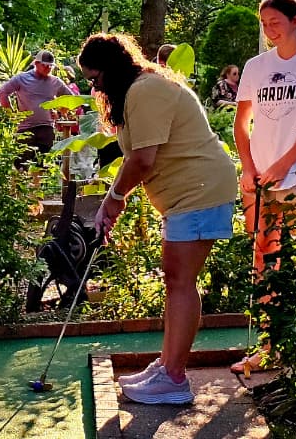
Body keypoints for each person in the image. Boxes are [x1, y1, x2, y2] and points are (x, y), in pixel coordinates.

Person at [81, 33, 239, 405]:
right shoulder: (139, 90)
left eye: (95, 78)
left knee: (181, 280)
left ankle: (174, 378)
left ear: (112, 68)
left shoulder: (146, 90)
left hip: (199, 189)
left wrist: (114, 198)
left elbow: (143, 159)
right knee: (176, 280)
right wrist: (113, 200)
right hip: (187, 193)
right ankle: (167, 365)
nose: (94, 86)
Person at [231, 0, 296, 373]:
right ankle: (268, 347)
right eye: (264, 24)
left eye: (275, 22)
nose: (269, 30)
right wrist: (248, 166)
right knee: (263, 262)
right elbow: (241, 123)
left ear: (295, 20)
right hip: (258, 178)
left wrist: (282, 165)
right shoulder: (256, 67)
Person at [0, 49, 73, 171]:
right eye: (45, 65)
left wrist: (58, 112)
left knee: (42, 164)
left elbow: (71, 99)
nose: (48, 68)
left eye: (50, 66)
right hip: (25, 128)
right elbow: (2, 92)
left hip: (46, 128)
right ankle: (18, 189)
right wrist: (12, 114)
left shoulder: (55, 82)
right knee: (21, 164)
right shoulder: (21, 78)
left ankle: (37, 188)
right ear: (36, 63)